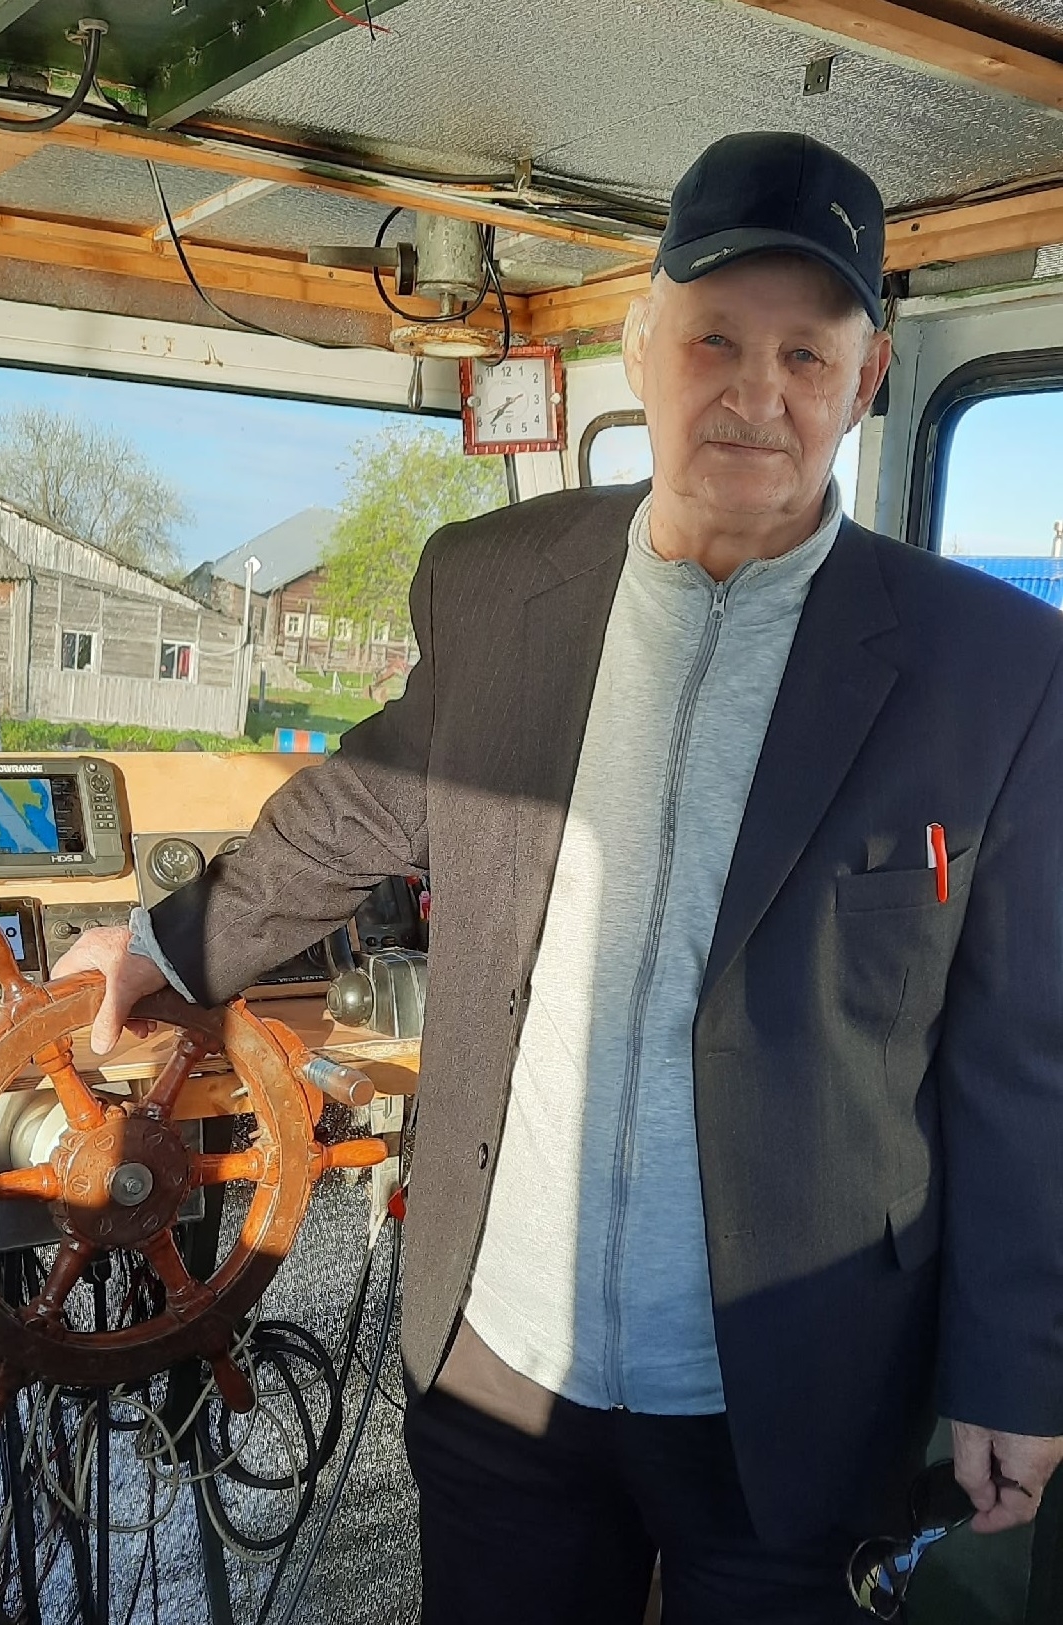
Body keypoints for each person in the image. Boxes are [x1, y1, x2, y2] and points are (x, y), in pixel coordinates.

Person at [54, 132, 1063, 1623]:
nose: (758, 393)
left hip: (796, 1387)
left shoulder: (999, 672)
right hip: (501, 1357)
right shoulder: (497, 581)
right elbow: (365, 801)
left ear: (867, 383)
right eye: (715, 339)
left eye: (807, 352)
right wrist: (163, 943)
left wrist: (1014, 1367)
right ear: (642, 346)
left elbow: (1021, 1061)